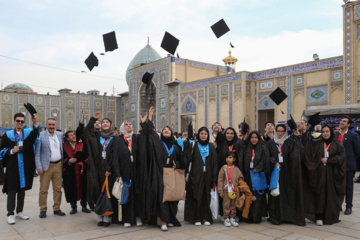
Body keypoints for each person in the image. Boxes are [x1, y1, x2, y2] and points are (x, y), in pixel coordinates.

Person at [302, 125, 346, 225]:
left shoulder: (337, 144)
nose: (325, 134)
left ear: (331, 132)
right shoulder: (317, 143)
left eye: (327, 131)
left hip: (332, 174)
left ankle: (329, 216)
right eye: (323, 132)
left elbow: (341, 157)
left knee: (330, 195)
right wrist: (305, 132)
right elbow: (308, 148)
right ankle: (319, 216)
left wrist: (329, 160)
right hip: (319, 174)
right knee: (319, 194)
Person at [0, 113, 39, 224]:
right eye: (18, 121)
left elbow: (36, 133)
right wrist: (12, 151)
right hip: (13, 166)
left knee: (22, 190)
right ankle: (10, 214)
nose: (19, 123)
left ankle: (20, 211)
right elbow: (2, 151)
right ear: (14, 121)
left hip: (25, 166)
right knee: (12, 190)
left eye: (22, 121)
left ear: (24, 123)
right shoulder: (7, 135)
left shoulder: (27, 133)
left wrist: (35, 122)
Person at [144, 122, 183, 231]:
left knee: (171, 198)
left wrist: (177, 165)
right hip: (159, 173)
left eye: (168, 129)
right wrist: (149, 120)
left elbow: (180, 159)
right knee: (161, 197)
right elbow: (150, 135)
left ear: (171, 133)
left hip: (171, 174)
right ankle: (162, 221)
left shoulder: (176, 146)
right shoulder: (158, 143)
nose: (166, 130)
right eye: (164, 129)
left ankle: (169, 218)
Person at [84, 112, 120, 227]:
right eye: (103, 122)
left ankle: (107, 217)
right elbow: (86, 131)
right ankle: (99, 217)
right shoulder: (96, 136)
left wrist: (109, 169)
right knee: (97, 192)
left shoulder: (114, 139)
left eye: (107, 122)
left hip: (108, 171)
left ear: (111, 125)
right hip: (96, 168)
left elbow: (114, 155)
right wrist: (93, 119)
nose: (104, 124)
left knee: (107, 193)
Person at [267, 124, 305, 226]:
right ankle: (275, 216)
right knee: (275, 194)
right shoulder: (271, 143)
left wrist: (297, 138)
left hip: (287, 172)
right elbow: (268, 155)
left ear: (285, 132)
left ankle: (286, 216)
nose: (280, 133)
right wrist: (274, 162)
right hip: (275, 172)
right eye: (278, 131)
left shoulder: (289, 142)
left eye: (282, 131)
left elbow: (297, 154)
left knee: (286, 194)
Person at [184, 127, 218, 226]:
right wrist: (187, 144)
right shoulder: (194, 145)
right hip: (196, 175)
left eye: (205, 134)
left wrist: (214, 177)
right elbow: (188, 158)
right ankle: (197, 218)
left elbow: (214, 163)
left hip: (208, 175)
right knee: (196, 196)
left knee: (206, 196)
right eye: (201, 133)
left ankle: (207, 217)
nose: (203, 135)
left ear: (208, 135)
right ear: (198, 135)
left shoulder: (211, 146)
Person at [36, 118, 66, 218]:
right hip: (46, 166)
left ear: (55, 125)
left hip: (58, 165)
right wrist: (39, 167)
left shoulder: (60, 135)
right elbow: (37, 153)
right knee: (44, 189)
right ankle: (43, 209)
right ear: (46, 124)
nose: (51, 126)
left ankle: (57, 208)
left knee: (57, 189)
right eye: (49, 124)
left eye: (53, 124)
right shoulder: (41, 135)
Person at [62, 113, 91, 215]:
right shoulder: (64, 147)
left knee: (84, 188)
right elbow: (62, 159)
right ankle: (73, 207)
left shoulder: (81, 143)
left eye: (74, 135)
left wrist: (84, 162)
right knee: (71, 189)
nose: (73, 136)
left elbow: (88, 156)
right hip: (70, 172)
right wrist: (68, 161)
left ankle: (84, 206)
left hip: (82, 170)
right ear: (67, 138)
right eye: (71, 135)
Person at [116, 120, 142, 227]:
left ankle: (138, 217)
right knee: (126, 195)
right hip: (124, 171)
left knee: (137, 194)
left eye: (130, 124)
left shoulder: (136, 138)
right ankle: (127, 219)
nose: (129, 126)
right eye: (126, 124)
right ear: (122, 128)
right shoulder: (118, 140)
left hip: (137, 171)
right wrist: (117, 173)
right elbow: (115, 158)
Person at [334, 116, 360, 215]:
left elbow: (358, 151)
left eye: (344, 121)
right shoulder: (335, 135)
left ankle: (348, 206)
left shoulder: (353, 135)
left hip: (348, 165)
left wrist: (350, 159)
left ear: (348, 124)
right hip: (336, 165)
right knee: (336, 185)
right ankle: (338, 204)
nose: (341, 122)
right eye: (341, 120)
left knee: (348, 186)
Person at [242, 131, 269, 223]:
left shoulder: (263, 148)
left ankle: (257, 217)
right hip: (247, 176)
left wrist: (258, 168)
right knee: (248, 196)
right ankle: (248, 217)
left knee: (258, 197)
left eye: (256, 137)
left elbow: (265, 160)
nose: (254, 139)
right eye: (252, 137)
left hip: (258, 175)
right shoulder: (246, 148)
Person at [218, 151, 244, 227]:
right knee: (226, 204)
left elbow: (241, 177)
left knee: (233, 204)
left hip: (234, 190)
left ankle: (232, 217)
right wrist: (220, 190)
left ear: (234, 159)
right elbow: (220, 179)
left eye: (230, 158)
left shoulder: (236, 169)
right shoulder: (223, 168)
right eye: (227, 158)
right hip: (226, 190)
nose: (228, 159)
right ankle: (226, 218)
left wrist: (240, 184)